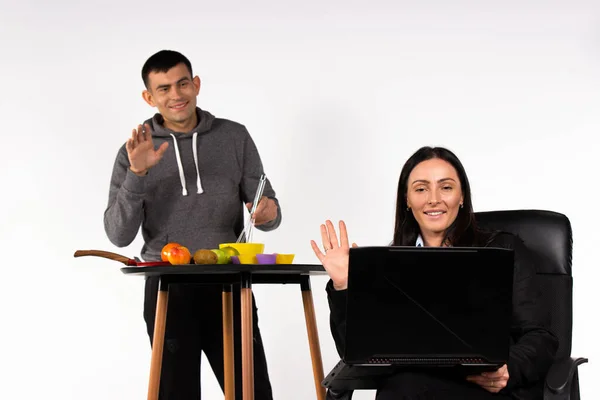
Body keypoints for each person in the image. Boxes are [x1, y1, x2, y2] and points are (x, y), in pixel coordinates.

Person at [311, 146, 558, 400]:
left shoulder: (502, 249)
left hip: (486, 389)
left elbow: (541, 336)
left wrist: (509, 369)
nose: (433, 199)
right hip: (409, 387)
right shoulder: (388, 265)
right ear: (407, 199)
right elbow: (358, 355)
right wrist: (344, 286)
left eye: (446, 187)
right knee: (403, 387)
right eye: (421, 188)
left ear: (462, 196)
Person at [104, 50, 280, 399]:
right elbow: (118, 235)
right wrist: (137, 174)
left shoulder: (234, 136)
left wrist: (267, 212)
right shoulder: (134, 150)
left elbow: (268, 209)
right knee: (176, 393)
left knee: (253, 392)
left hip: (230, 283)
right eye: (164, 88)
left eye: (183, 83)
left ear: (196, 84)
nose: (176, 95)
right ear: (149, 97)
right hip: (168, 288)